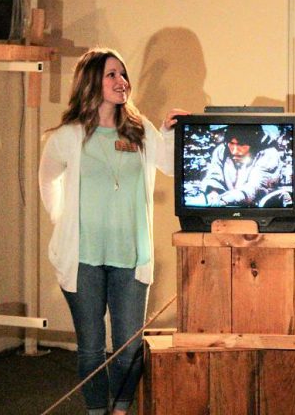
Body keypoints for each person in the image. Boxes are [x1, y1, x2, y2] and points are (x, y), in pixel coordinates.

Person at [38, 47, 189, 415]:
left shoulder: (139, 131)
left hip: (130, 259)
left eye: (123, 74)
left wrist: (169, 133)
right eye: (111, 75)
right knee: (90, 349)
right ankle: (95, 411)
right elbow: (48, 178)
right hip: (83, 260)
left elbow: (169, 166)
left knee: (128, 348)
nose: (122, 82)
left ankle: (120, 410)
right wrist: (64, 220)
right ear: (91, 81)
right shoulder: (68, 137)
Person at [200, 124, 282, 207]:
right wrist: (212, 192)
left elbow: (256, 187)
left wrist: (226, 199)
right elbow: (214, 176)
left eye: (241, 144)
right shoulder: (221, 151)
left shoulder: (269, 154)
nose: (235, 151)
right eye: (231, 143)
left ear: (253, 142)